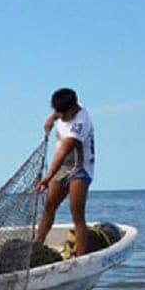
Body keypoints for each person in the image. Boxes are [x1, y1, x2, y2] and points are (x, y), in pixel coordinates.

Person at [36, 87, 95, 256]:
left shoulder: (80, 124)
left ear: (72, 108)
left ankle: (81, 258)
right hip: (62, 168)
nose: (59, 115)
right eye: (56, 111)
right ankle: (37, 245)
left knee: (76, 213)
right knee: (49, 206)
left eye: (61, 113)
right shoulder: (65, 108)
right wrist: (51, 118)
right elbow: (58, 113)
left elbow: (63, 151)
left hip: (80, 169)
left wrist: (47, 178)